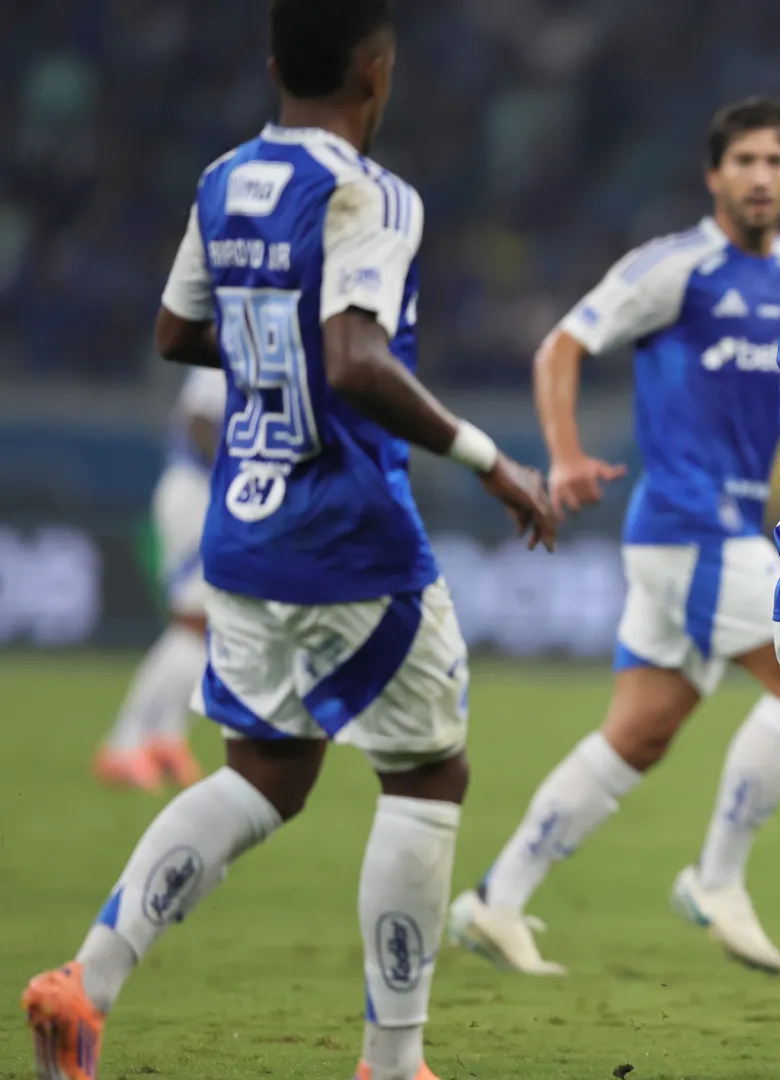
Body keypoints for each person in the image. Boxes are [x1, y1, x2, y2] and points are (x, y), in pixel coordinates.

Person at [19, 3, 558, 1079]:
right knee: (426, 775)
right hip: (350, 532)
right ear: (378, 72)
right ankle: (393, 1062)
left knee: (268, 773)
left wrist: (275, 353)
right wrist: (492, 459)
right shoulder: (371, 192)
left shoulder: (225, 178)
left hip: (244, 527)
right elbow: (355, 359)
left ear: (277, 65)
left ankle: (86, 982)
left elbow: (176, 333)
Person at [446, 98, 780, 977]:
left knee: (640, 733)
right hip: (685, 527)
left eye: (777, 161)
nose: (762, 176)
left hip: (734, 529)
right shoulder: (675, 268)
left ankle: (495, 900)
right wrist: (566, 454)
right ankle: (717, 878)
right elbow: (561, 346)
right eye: (745, 161)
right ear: (715, 176)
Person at [93, 368, 227, 793]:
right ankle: (123, 744)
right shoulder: (225, 349)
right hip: (198, 491)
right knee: (194, 624)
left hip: (205, 492)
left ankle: (164, 737)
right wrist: (234, 474)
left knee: (210, 626)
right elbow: (198, 420)